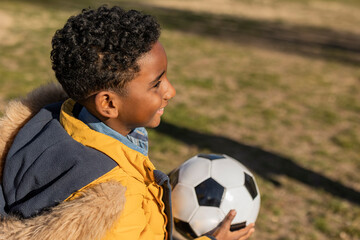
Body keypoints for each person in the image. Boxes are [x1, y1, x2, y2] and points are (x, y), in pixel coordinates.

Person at [0, 5, 255, 240]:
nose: (171, 91)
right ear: (108, 104)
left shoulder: (50, 121)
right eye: (156, 84)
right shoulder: (118, 203)